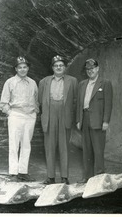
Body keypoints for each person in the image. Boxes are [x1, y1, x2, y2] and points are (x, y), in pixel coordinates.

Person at [38, 55, 78, 185]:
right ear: (52, 68)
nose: (59, 67)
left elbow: (76, 100)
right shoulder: (44, 81)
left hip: (64, 113)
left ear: (65, 67)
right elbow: (40, 100)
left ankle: (65, 177)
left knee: (64, 146)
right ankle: (50, 177)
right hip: (50, 114)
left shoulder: (72, 81)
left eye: (61, 65)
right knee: (49, 146)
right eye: (56, 65)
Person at [0, 56, 39, 182]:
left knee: (26, 144)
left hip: (30, 116)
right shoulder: (10, 82)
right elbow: (3, 102)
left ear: (28, 68)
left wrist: (34, 113)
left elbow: (36, 100)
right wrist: (10, 113)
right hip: (16, 114)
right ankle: (13, 173)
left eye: (25, 67)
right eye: (20, 67)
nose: (22, 69)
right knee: (14, 144)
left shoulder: (32, 82)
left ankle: (23, 172)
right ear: (16, 69)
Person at [76, 58, 113, 183]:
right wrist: (78, 120)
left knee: (98, 149)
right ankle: (88, 177)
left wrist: (106, 121)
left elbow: (108, 104)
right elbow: (79, 104)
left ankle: (99, 176)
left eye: (92, 68)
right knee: (86, 149)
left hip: (98, 121)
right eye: (88, 69)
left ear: (97, 69)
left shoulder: (105, 83)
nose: (90, 71)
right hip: (85, 118)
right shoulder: (82, 84)